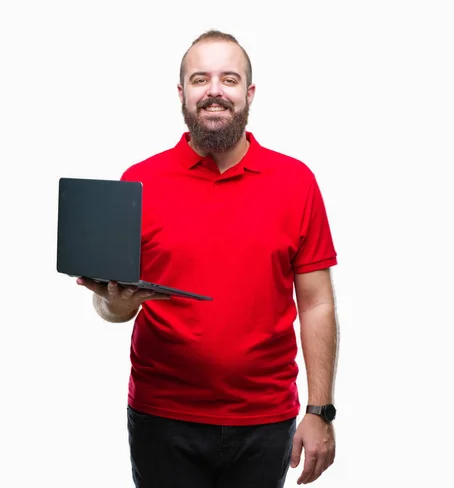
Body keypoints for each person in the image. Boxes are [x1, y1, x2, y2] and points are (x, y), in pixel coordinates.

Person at [76, 29, 340, 488]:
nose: (214, 90)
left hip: (266, 417)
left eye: (229, 79)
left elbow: (317, 304)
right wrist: (116, 303)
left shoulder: (296, 182)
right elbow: (111, 307)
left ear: (249, 93)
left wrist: (320, 411)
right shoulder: (138, 183)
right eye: (200, 79)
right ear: (182, 94)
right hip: (163, 417)